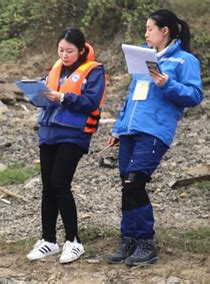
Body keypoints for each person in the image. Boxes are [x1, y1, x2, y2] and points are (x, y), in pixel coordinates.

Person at [107, 9, 203, 266]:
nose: (146, 33)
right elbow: (132, 95)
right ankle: (129, 239)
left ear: (165, 31)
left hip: (154, 130)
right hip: (130, 129)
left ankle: (147, 242)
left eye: (150, 29)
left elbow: (195, 96)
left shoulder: (184, 61)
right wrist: (119, 127)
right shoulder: (142, 58)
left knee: (135, 182)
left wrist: (166, 83)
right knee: (127, 185)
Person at [26, 28, 106, 264]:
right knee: (47, 187)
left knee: (60, 183)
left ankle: (74, 241)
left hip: (73, 135)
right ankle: (49, 240)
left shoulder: (95, 71)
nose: (64, 55)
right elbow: (43, 96)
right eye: (61, 50)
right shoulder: (55, 69)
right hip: (48, 134)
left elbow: (91, 101)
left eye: (70, 51)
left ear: (81, 50)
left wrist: (62, 97)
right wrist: (34, 94)